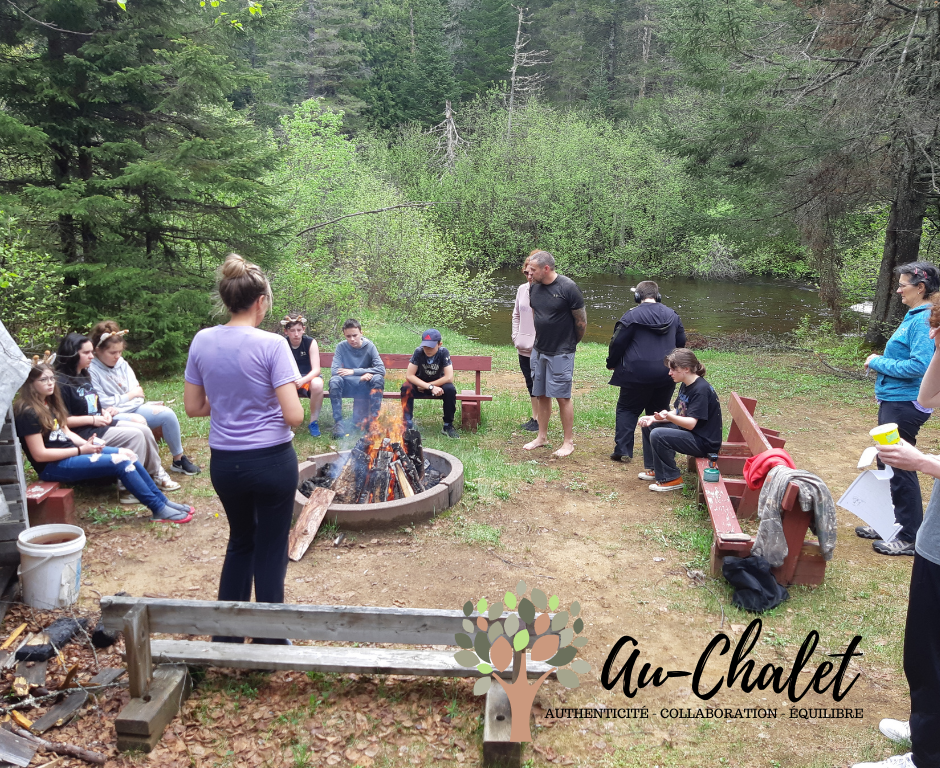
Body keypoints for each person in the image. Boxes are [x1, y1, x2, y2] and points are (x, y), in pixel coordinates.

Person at [184, 253, 304, 643]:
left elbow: (194, 407)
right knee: (270, 547)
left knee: (240, 541)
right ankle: (270, 639)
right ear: (261, 302)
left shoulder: (203, 340)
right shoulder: (273, 345)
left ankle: (227, 637)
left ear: (227, 300)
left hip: (226, 465)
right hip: (271, 462)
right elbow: (294, 415)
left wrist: (233, 398)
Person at [851, 315, 940, 767]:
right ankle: (928, 725)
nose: (931, 339)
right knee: (923, 651)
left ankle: (927, 755)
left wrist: (923, 463)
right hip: (935, 540)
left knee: (930, 649)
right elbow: (926, 397)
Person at [13, 364, 193, 523]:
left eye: (52, 378)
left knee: (127, 454)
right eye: (43, 379)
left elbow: (65, 431)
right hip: (53, 466)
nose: (50, 383)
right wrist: (81, 450)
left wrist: (88, 445)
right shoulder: (27, 412)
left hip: (71, 453)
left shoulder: (48, 404)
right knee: (120, 462)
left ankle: (163, 501)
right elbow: (39, 454)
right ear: (30, 384)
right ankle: (157, 509)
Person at [856, 261, 939, 556]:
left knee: (900, 463)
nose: (898, 290)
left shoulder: (922, 319)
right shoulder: (914, 315)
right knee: (887, 461)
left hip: (906, 404)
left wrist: (877, 360)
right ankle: (889, 522)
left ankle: (909, 535)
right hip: (896, 401)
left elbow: (920, 366)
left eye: (903, 285)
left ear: (921, 287)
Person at [54, 332, 181, 498]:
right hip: (83, 432)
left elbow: (92, 406)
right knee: (135, 436)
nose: (91, 357)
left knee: (143, 430)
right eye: (86, 353)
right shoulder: (61, 382)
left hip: (99, 423)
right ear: (71, 353)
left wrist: (104, 413)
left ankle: (154, 474)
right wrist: (94, 419)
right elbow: (60, 421)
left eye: (92, 352)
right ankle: (127, 489)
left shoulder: (83, 375)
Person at [88, 320, 201, 475]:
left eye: (120, 352)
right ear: (98, 350)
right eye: (112, 353)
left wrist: (122, 401)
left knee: (167, 414)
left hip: (127, 409)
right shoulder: (91, 370)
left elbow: (138, 395)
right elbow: (101, 403)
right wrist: (128, 396)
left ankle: (178, 460)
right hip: (111, 417)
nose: (117, 356)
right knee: (138, 421)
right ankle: (150, 468)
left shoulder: (122, 363)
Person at [607, 280, 686, 463]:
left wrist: (611, 362)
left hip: (635, 373)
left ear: (637, 297)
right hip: (666, 373)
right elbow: (681, 342)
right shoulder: (672, 315)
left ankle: (623, 450)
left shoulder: (630, 316)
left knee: (627, 409)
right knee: (659, 410)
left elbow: (617, 342)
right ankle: (660, 449)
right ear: (658, 296)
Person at [523, 250, 586, 457]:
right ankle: (542, 436)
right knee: (540, 393)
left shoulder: (568, 287)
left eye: (532, 270)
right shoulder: (533, 287)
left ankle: (568, 442)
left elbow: (581, 322)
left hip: (561, 351)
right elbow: (537, 315)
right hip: (539, 350)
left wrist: (569, 343)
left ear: (546, 269)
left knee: (562, 396)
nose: (528, 273)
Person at [637, 349, 722, 492]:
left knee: (658, 435)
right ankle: (657, 470)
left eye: (673, 369)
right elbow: (679, 411)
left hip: (704, 443)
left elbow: (690, 424)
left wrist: (668, 416)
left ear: (686, 369)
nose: (670, 373)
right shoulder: (686, 383)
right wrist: (653, 418)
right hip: (693, 434)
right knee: (650, 426)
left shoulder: (700, 390)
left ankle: (671, 478)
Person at [329, 319, 385, 438]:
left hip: (365, 386)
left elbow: (381, 369)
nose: (352, 339)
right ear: (344, 335)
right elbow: (335, 371)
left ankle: (374, 421)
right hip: (348, 385)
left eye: (355, 335)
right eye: (348, 336)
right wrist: (358, 378)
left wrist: (354, 371)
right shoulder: (341, 347)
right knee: (334, 381)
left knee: (378, 379)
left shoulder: (369, 346)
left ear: (361, 333)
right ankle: (338, 423)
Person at [401, 329, 459, 438]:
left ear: (439, 344)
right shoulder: (418, 352)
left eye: (431, 347)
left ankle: (448, 425)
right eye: (425, 346)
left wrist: (432, 386)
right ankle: (407, 425)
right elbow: (409, 375)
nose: (427, 349)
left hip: (439, 385)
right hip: (420, 385)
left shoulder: (443, 352)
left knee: (450, 389)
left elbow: (449, 377)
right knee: (406, 387)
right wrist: (429, 386)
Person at [280, 314, 324, 437]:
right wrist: (292, 380)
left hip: (308, 377)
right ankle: (286, 421)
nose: (296, 334)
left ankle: (313, 422)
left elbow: (316, 370)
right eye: (292, 331)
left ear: (303, 329)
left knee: (318, 384)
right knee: (276, 386)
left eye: (299, 330)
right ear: (286, 331)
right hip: (289, 378)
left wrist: (302, 380)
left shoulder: (310, 342)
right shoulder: (282, 344)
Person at [512, 255, 539, 432]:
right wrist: (516, 336)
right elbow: (516, 315)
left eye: (532, 272)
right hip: (523, 347)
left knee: (540, 384)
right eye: (526, 272)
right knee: (530, 383)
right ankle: (534, 418)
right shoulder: (522, 289)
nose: (529, 276)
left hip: (540, 348)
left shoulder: (546, 291)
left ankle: (540, 420)